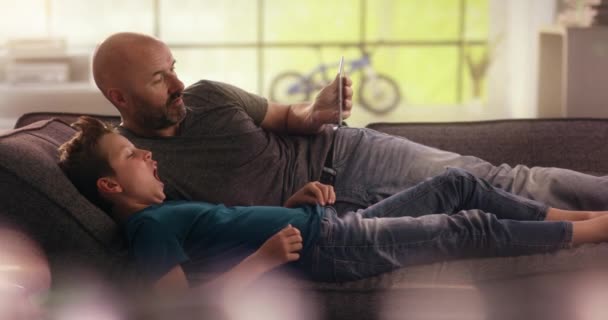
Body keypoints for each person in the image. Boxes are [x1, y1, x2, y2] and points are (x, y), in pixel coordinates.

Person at [58, 116, 608, 297]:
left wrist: (289, 206)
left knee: (458, 182)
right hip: (327, 247)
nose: (146, 152)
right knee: (463, 224)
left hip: (327, 224)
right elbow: (182, 307)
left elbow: (227, 234)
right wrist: (267, 259)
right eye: (131, 154)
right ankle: (592, 233)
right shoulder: (150, 229)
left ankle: (576, 219)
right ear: (110, 186)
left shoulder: (163, 212)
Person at [91, 32, 608, 214]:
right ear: (119, 96)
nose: (179, 85)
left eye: (174, 68)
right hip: (324, 218)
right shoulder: (136, 165)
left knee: (499, 182)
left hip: (348, 155)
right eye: (160, 79)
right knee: (484, 215)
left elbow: (288, 118)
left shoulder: (210, 95)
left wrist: (316, 112)